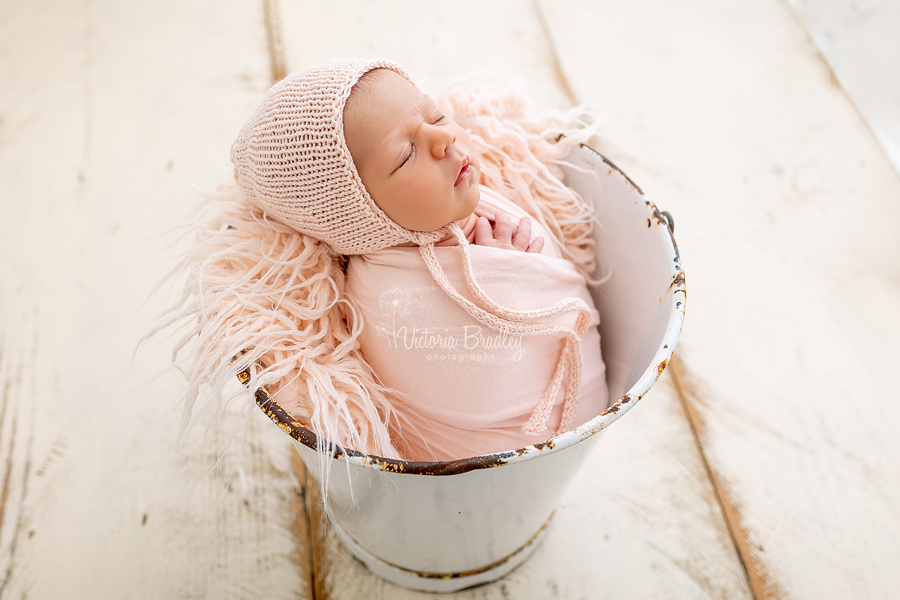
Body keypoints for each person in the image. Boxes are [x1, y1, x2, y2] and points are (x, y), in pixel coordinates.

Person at [158, 58, 609, 462]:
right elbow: (457, 374)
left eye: (435, 115)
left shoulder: (462, 199)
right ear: (360, 215)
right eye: (406, 153)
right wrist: (509, 283)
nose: (444, 137)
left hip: (575, 423)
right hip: (498, 465)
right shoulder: (388, 295)